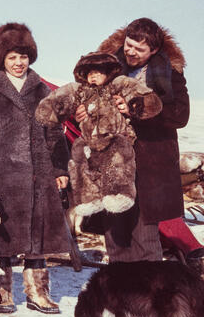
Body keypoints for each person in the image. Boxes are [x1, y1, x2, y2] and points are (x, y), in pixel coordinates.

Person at [0, 22, 71, 314]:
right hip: (1, 175)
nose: (18, 63)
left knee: (38, 234)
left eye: (23, 56)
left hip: (39, 174)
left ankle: (38, 292)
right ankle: (3, 293)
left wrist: (60, 169)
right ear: (2, 59)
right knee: (3, 235)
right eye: (12, 57)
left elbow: (55, 133)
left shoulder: (43, 91)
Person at [74, 17, 189, 262]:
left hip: (150, 168)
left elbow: (180, 115)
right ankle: (120, 296)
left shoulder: (170, 73)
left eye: (139, 49)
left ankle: (149, 298)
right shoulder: (105, 70)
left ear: (154, 50)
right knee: (116, 239)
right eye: (129, 45)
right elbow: (87, 102)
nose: (131, 52)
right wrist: (82, 113)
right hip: (111, 164)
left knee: (144, 239)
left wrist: (136, 110)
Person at [36, 51, 162, 219]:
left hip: (115, 136)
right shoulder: (80, 90)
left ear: (108, 72)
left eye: (97, 72)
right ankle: (88, 199)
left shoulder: (118, 84)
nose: (93, 76)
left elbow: (145, 98)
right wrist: (53, 109)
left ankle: (121, 194)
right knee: (79, 153)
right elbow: (61, 97)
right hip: (90, 141)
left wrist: (134, 105)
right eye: (89, 73)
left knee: (118, 155)